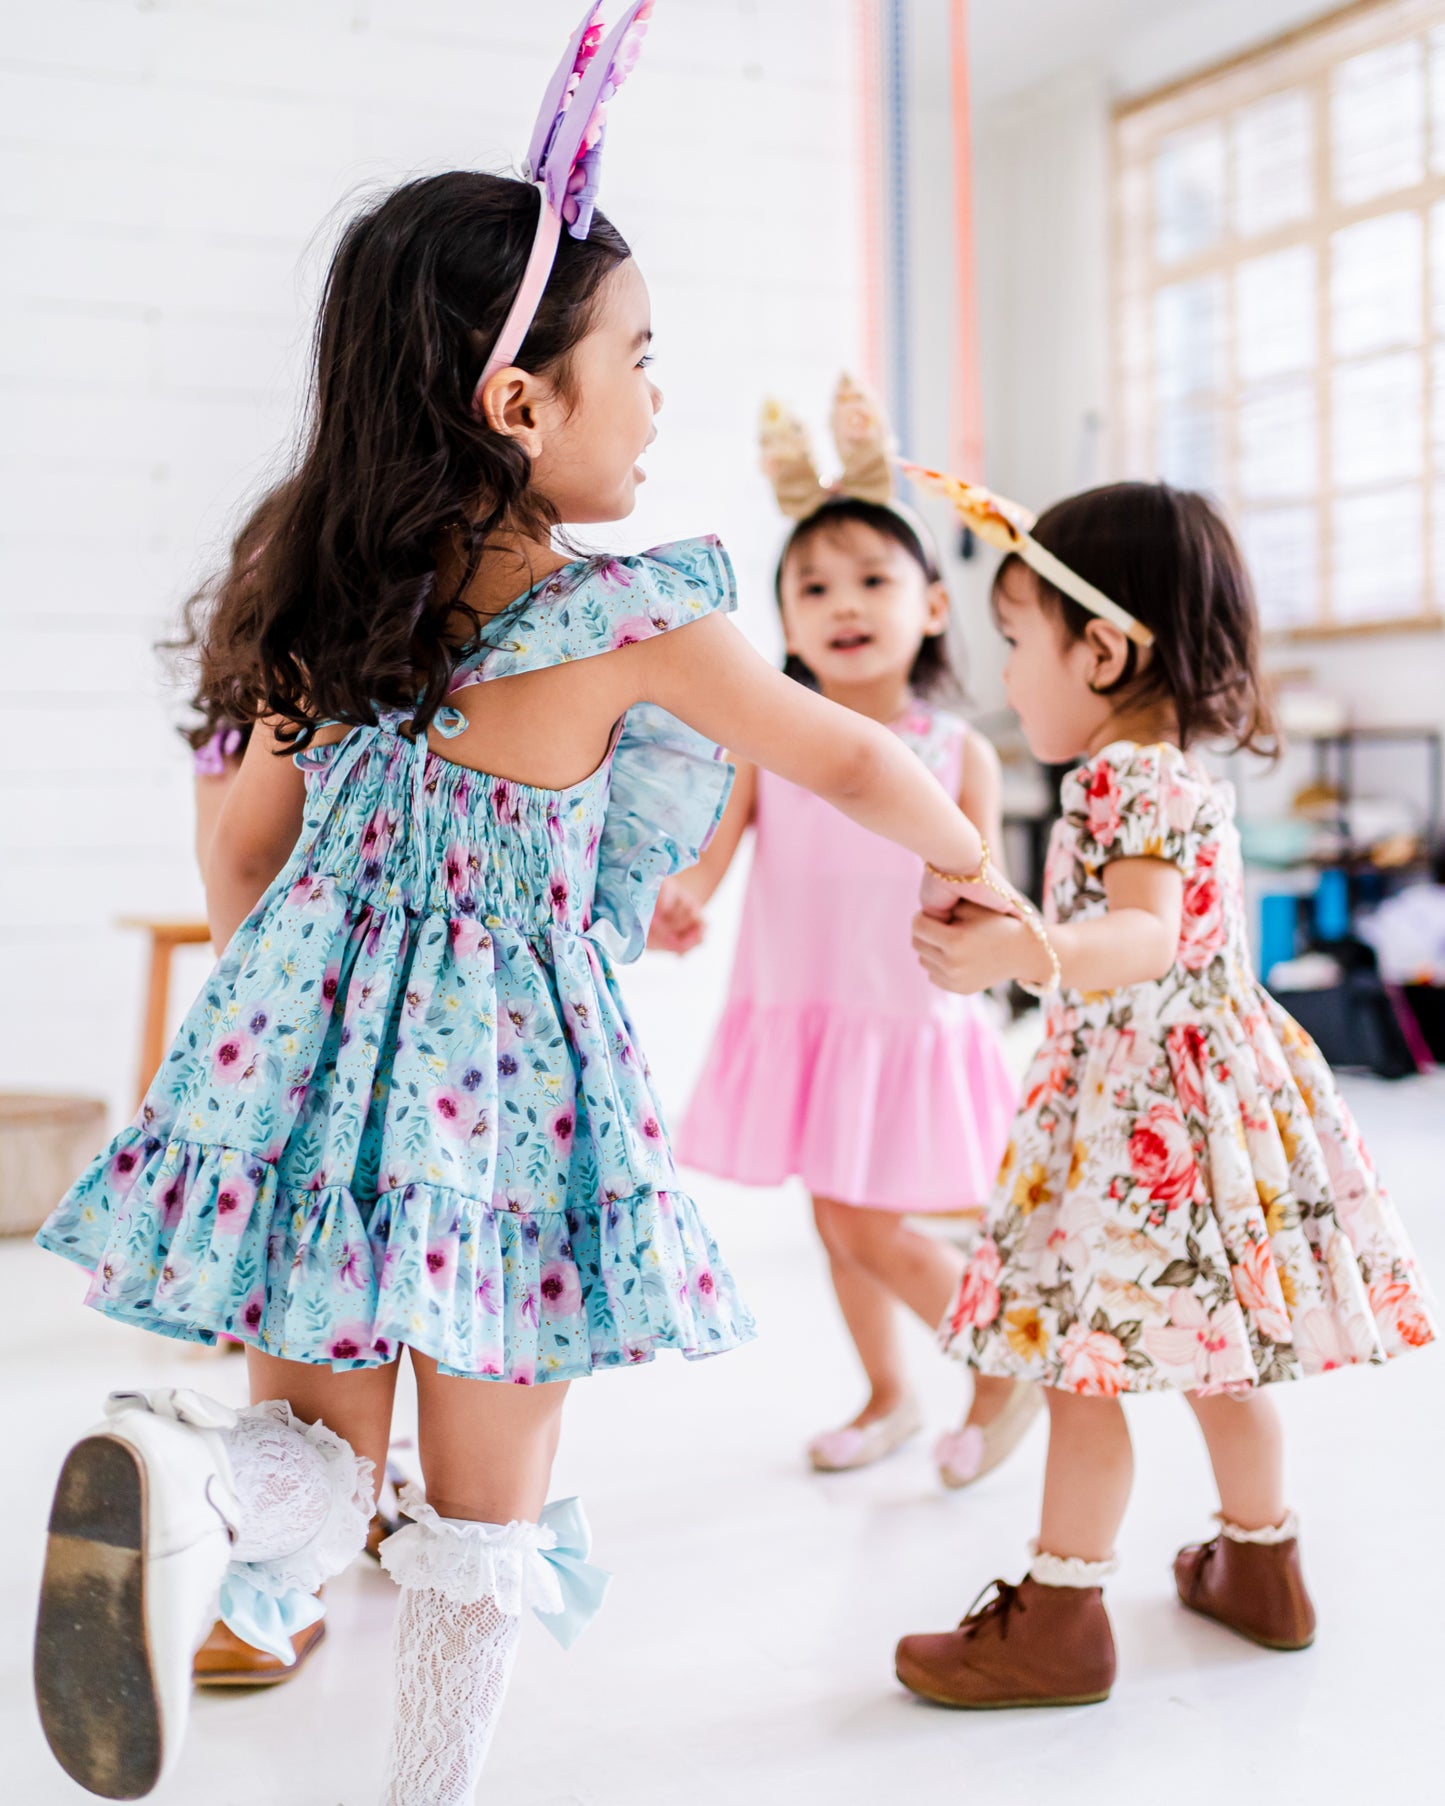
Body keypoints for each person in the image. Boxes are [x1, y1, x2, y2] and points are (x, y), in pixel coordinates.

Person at [31, 9, 1018, 1800]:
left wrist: (281, 1012)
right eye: (639, 359)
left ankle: (202, 1485)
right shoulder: (630, 613)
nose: (658, 395)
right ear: (520, 403)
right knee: (490, 1515)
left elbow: (243, 847)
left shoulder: (327, 600)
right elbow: (859, 764)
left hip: (308, 1071)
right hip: (503, 1100)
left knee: (318, 1443)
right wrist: (975, 864)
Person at [890, 474, 1437, 1710]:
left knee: (1089, 1366)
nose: (1007, 679)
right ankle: (1261, 1567)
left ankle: (1060, 1617)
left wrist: (1024, 949)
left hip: (1146, 1116)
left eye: (1017, 645)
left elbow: (1140, 935)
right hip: (1198, 1095)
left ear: (1102, 646)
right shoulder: (1175, 769)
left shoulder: (1121, 780)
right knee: (1216, 1361)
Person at [658, 380, 1035, 1482]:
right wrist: (683, 902)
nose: (843, 601)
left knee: (869, 1226)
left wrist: (986, 941)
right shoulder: (768, 741)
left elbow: (986, 890)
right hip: (805, 1012)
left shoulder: (957, 750)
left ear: (929, 609)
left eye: (873, 579)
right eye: (813, 586)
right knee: (836, 1225)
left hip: (899, 1017)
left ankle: (1002, 1361)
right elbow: (711, 858)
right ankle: (887, 1397)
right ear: (784, 624)